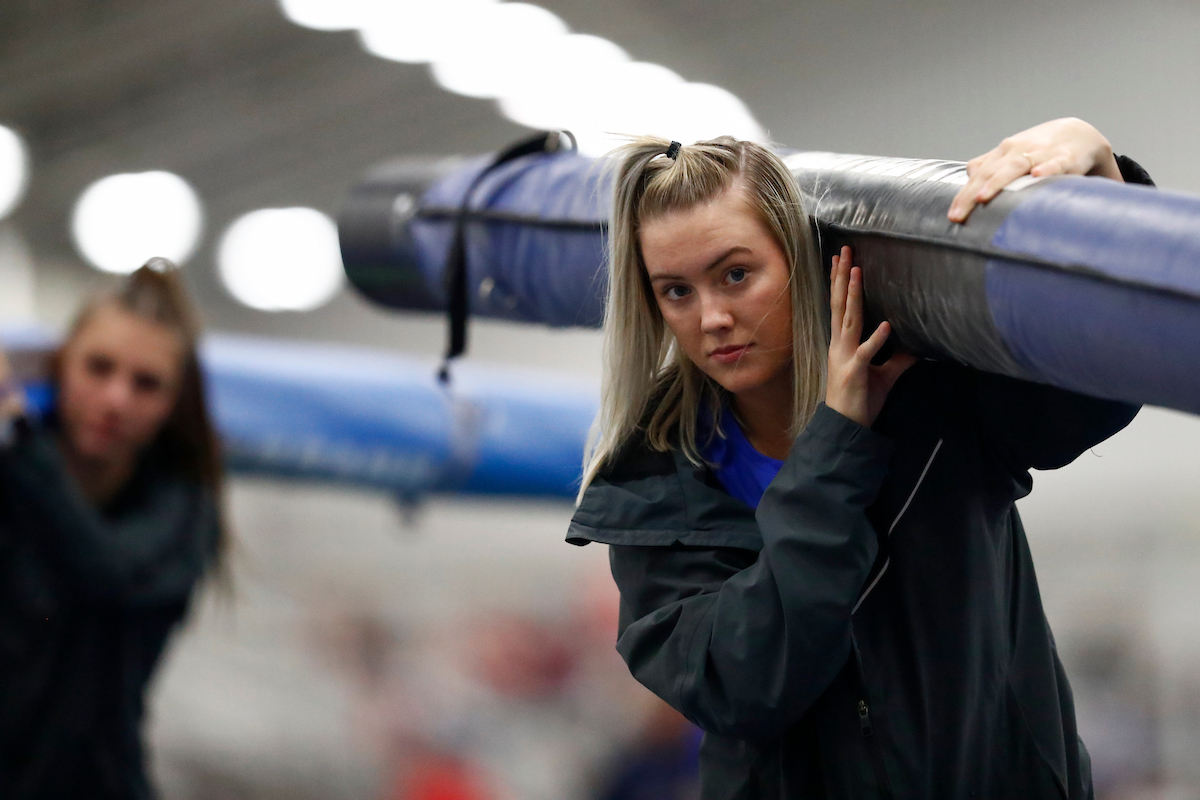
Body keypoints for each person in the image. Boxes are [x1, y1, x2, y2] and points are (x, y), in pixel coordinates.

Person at [567, 119, 1154, 799]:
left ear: (798, 257)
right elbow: (744, 685)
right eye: (677, 291)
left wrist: (1104, 178)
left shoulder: (930, 402)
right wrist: (837, 443)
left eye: (736, 275)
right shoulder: (649, 487)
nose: (712, 318)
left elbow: (1101, 382)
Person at [0, 260, 225, 799]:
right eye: (98, 368)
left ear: (173, 403)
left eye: (146, 384)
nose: (116, 400)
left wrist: (20, 438)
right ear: (63, 366)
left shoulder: (184, 511)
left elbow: (107, 572)